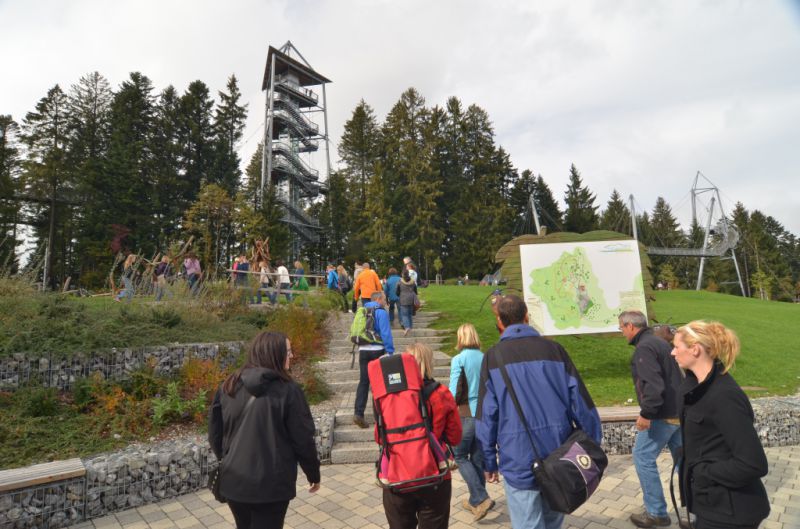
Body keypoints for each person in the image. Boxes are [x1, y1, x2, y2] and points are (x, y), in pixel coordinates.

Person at [476, 295, 602, 529]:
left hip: (519, 459)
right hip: (559, 454)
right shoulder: (555, 350)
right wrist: (592, 444)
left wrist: (488, 461)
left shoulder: (493, 357)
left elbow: (486, 416)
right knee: (553, 521)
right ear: (526, 317)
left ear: (500, 322)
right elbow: (583, 405)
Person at [208, 331, 321, 529]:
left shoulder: (229, 385)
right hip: (271, 486)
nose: (292, 355)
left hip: (235, 480)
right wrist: (313, 474)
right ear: (274, 354)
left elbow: (215, 434)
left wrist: (228, 457)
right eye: (288, 351)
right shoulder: (289, 390)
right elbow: (302, 439)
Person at [672, 321, 769, 529]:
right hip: (708, 504)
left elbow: (753, 463)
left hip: (730, 513)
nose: (672, 353)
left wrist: (702, 472)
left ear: (695, 349)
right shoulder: (695, 387)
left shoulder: (724, 396)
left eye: (677, 347)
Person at [381, 342, 462, 529]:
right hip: (435, 474)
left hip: (397, 476)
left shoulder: (388, 397)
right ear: (429, 363)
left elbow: (380, 437)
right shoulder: (441, 393)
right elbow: (455, 436)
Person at [618, 310, 684, 528]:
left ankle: (657, 513)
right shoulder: (659, 343)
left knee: (642, 457)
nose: (621, 332)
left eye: (621, 327)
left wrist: (646, 413)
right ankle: (700, 511)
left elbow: (654, 386)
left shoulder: (645, 347)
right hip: (678, 412)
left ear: (630, 326)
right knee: (686, 461)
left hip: (662, 414)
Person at [448, 323, 493, 521]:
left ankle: (480, 496)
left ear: (461, 338)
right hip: (484, 416)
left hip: (466, 414)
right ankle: (477, 502)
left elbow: (453, 392)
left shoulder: (459, 359)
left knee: (459, 456)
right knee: (476, 457)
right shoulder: (485, 358)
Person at [353, 291, 394, 428]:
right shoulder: (381, 312)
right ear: (377, 299)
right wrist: (390, 351)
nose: (385, 302)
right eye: (383, 299)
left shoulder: (362, 310)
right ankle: (379, 417)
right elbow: (385, 332)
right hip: (377, 350)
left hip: (363, 350)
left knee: (364, 382)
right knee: (378, 383)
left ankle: (358, 413)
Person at [396, 270, 417, 336]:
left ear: (402, 274)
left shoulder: (399, 282)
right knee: (410, 314)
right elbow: (415, 292)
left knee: (404, 315)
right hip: (411, 300)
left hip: (403, 300)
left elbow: (397, 292)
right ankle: (410, 327)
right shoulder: (413, 282)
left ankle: (407, 327)